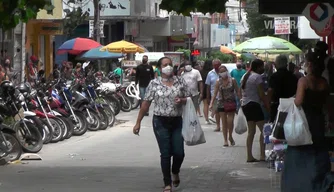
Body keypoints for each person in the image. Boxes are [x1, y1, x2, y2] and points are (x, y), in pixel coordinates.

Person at [133, 57, 191, 192]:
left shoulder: (180, 81)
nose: (168, 67)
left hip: (177, 121)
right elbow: (145, 103)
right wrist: (138, 123)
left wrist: (182, 100)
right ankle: (167, 183)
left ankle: (175, 171)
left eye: (170, 64)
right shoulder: (154, 83)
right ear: (159, 68)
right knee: (165, 153)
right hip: (160, 122)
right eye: (165, 65)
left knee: (179, 153)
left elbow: (190, 98)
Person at [281, 51, 334, 192]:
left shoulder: (303, 81)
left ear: (309, 64)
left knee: (301, 149)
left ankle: (300, 183)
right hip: (319, 120)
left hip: (304, 120)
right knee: (317, 151)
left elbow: (298, 101)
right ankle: (319, 183)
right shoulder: (324, 82)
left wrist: (291, 100)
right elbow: (328, 104)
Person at [241, 59, 270, 162]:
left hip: (245, 105)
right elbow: (261, 94)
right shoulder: (257, 77)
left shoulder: (245, 76)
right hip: (254, 105)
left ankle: (249, 156)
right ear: (258, 67)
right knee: (264, 131)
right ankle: (262, 155)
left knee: (251, 132)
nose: (263, 68)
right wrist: (268, 107)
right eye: (262, 66)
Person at [209, 65, 241, 147]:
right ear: (219, 73)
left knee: (230, 121)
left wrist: (241, 100)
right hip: (221, 103)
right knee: (224, 122)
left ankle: (230, 135)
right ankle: (225, 140)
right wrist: (211, 103)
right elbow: (215, 93)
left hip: (231, 102)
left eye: (224, 71)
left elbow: (237, 91)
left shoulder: (232, 80)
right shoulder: (218, 82)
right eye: (221, 72)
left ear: (227, 71)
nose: (223, 73)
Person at [268, 55, 298, 123]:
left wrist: (268, 104)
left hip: (277, 106)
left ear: (277, 64)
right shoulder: (293, 77)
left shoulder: (274, 76)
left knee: (276, 127)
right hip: (291, 106)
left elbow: (270, 91)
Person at [205, 59, 222, 131]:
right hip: (214, 96)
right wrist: (208, 97)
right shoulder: (210, 73)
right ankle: (218, 126)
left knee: (224, 112)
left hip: (224, 96)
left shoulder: (224, 72)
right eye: (214, 65)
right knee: (217, 111)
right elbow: (208, 86)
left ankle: (225, 125)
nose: (216, 66)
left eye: (217, 65)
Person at [201, 60, 213, 124]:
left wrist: (201, 91)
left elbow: (201, 82)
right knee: (214, 104)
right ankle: (212, 116)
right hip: (212, 89)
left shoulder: (202, 72)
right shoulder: (212, 72)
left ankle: (206, 119)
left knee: (205, 105)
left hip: (204, 89)